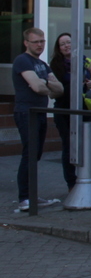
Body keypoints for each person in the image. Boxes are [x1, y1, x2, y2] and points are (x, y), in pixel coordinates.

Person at [12, 27, 63, 212]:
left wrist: (45, 84)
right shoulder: (22, 61)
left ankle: (31, 195)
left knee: (36, 154)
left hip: (40, 111)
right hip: (27, 112)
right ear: (26, 43)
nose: (40, 45)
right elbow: (37, 87)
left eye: (42, 41)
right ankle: (24, 198)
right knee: (29, 154)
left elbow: (59, 89)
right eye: (36, 42)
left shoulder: (41, 64)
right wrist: (46, 84)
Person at [49, 33, 91, 191]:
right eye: (63, 44)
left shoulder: (85, 61)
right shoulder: (55, 64)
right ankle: (71, 183)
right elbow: (60, 90)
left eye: (69, 42)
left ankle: (89, 179)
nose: (67, 46)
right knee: (69, 146)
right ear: (58, 48)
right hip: (63, 109)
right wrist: (81, 86)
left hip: (83, 107)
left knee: (88, 145)